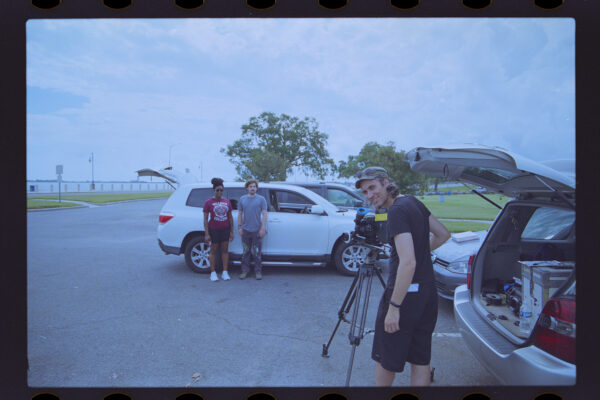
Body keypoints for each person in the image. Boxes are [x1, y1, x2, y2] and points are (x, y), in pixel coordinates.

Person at [355, 166, 451, 387]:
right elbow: (443, 234)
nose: (370, 195)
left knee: (386, 358)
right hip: (427, 294)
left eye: (373, 187)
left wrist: (394, 307)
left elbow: (408, 263)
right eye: (365, 192)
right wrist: (417, 250)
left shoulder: (396, 211)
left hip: (405, 296)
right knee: (420, 359)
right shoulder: (412, 202)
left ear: (386, 183)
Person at [203, 177, 234, 282]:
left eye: (221, 190)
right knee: (213, 251)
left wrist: (231, 231)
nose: (219, 192)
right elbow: (205, 219)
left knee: (225, 251)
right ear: (214, 190)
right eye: (217, 190)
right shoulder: (208, 202)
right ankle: (213, 273)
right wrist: (207, 234)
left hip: (225, 229)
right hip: (214, 229)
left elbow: (230, 217)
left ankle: (225, 272)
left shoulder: (227, 202)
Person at [237, 180, 268, 280]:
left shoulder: (261, 199)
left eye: (254, 186)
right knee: (245, 252)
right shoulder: (242, 199)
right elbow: (240, 214)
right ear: (247, 188)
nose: (252, 188)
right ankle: (245, 271)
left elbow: (264, 214)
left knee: (257, 253)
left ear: (256, 188)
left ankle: (258, 271)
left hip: (257, 230)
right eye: (250, 186)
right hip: (245, 230)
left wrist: (263, 228)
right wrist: (240, 227)